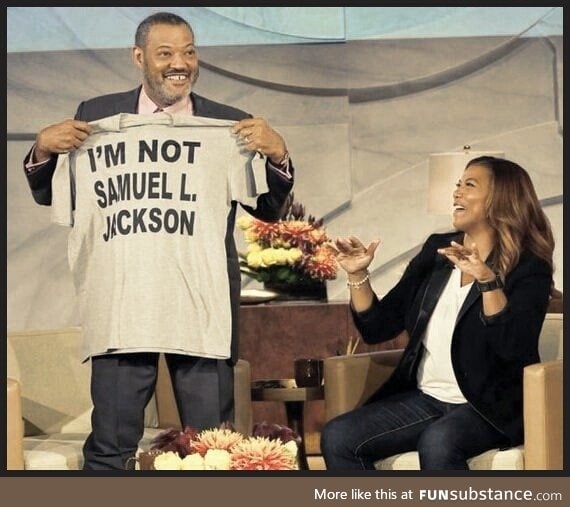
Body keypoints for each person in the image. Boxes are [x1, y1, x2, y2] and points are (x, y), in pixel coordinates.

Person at [22, 11, 294, 470]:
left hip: (202, 308)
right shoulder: (96, 116)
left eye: (188, 52)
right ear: (138, 57)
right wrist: (42, 150)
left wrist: (278, 153)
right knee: (110, 446)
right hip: (122, 307)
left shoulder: (229, 126)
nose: (180, 63)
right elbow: (57, 195)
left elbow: (268, 210)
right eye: (165, 53)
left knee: (215, 447)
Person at [321, 156, 555, 470]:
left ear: (501, 198)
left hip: (489, 407)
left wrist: (487, 281)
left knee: (439, 441)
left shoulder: (528, 267)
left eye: (469, 185)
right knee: (339, 436)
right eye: (457, 184)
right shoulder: (437, 251)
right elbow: (378, 327)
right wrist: (356, 275)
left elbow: (512, 348)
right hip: (426, 399)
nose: (456, 192)